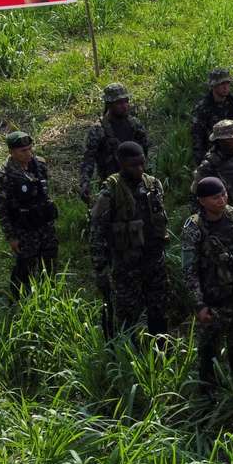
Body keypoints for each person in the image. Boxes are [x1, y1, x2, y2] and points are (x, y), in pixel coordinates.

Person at [182, 177, 233, 394]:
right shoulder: (194, 227)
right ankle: (208, 398)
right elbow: (189, 270)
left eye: (224, 194)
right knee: (209, 351)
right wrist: (199, 305)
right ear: (202, 201)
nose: (222, 200)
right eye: (215, 197)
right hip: (213, 300)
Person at [89, 141, 169, 339]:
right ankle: (127, 350)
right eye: (133, 165)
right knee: (128, 313)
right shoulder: (111, 190)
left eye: (142, 163)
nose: (139, 169)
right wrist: (100, 267)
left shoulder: (153, 185)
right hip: (126, 263)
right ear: (122, 164)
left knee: (159, 309)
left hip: (154, 260)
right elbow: (97, 231)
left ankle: (160, 348)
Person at [0, 131, 59, 296]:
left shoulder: (39, 165)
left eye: (30, 148)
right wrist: (11, 237)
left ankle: (48, 293)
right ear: (11, 152)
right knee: (25, 265)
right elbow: (1, 210)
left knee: (49, 259)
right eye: (23, 151)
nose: (29, 153)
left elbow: (44, 191)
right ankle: (19, 298)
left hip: (44, 224)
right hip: (24, 229)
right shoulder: (3, 176)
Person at [80, 83, 150, 205]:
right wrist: (85, 183)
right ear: (109, 104)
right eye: (119, 103)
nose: (124, 106)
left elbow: (145, 150)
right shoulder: (99, 129)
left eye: (126, 101)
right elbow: (88, 159)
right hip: (112, 186)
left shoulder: (134, 124)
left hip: (136, 182)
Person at [191, 120, 233, 222]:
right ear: (219, 141)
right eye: (229, 139)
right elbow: (197, 194)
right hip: (223, 217)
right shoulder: (209, 165)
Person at [190, 69, 233, 163]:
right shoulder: (203, 108)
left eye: (227, 83)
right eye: (222, 84)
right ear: (213, 86)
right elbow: (197, 136)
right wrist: (201, 159)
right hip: (213, 153)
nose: (225, 87)